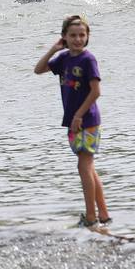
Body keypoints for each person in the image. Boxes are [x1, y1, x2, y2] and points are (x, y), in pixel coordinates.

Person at [35, 16, 107, 226]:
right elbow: (38, 69)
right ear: (64, 37)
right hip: (72, 121)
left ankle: (91, 217)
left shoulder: (88, 59)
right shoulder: (64, 58)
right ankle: (102, 214)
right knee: (89, 168)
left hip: (88, 120)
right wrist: (53, 50)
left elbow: (95, 92)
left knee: (84, 167)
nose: (77, 39)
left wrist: (78, 115)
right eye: (73, 35)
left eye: (81, 35)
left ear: (87, 37)